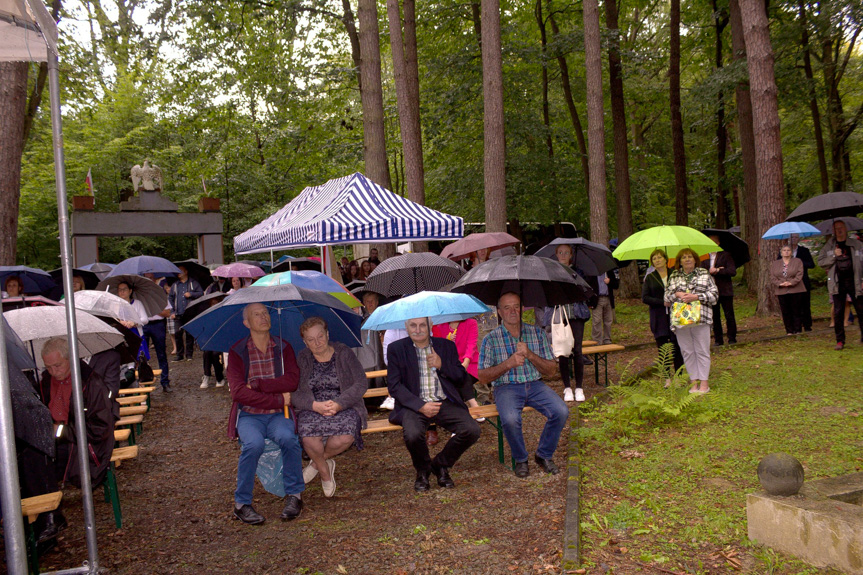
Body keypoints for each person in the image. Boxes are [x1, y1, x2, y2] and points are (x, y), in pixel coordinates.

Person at [226, 303, 304, 524]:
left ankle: (295, 495)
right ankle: (241, 504)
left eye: (265, 313)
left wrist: (259, 384)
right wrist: (278, 397)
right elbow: (239, 393)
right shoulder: (237, 352)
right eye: (256, 314)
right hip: (250, 416)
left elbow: (292, 380)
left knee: (289, 438)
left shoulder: (283, 347)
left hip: (279, 414)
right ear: (247, 323)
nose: (263, 317)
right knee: (253, 445)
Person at [478, 292, 569, 478]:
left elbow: (552, 370)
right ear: (499, 312)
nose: (513, 311)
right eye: (507, 307)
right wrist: (508, 364)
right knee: (510, 419)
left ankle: (543, 455)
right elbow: (483, 377)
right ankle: (521, 459)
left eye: (516, 306)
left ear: (522, 308)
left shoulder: (536, 333)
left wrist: (530, 355)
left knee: (561, 411)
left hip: (535, 385)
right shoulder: (491, 339)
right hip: (506, 388)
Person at [387, 317, 481, 491]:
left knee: (471, 430)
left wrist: (441, 365)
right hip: (414, 405)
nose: (418, 329)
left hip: (443, 401)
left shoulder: (445, 346)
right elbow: (394, 386)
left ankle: (440, 465)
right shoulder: (397, 349)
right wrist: (420, 405)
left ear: (430, 326)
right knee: (413, 434)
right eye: (413, 325)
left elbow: (461, 378)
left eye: (422, 325)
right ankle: (422, 471)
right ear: (406, 327)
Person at [293, 317, 368, 498]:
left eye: (320, 336)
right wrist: (314, 405)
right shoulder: (302, 358)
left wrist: (339, 403)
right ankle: (325, 473)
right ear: (305, 342)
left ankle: (316, 463)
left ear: (327, 334)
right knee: (309, 439)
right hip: (313, 408)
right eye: (311, 340)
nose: (317, 343)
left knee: (344, 438)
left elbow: (361, 383)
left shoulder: (344, 353)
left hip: (344, 405)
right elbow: (294, 392)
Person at [38, 337, 116, 488]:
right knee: (28, 458)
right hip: (55, 440)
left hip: (85, 445)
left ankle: (49, 506)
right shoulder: (45, 382)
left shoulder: (91, 383)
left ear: (70, 358)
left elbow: (100, 429)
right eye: (48, 367)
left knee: (39, 463)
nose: (54, 372)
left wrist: (61, 431)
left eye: (57, 365)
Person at [664, 248, 719, 394]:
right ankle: (693, 382)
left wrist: (696, 297)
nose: (687, 259)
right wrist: (677, 294)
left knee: (702, 349)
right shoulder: (674, 275)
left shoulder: (704, 273)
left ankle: (704, 384)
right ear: (679, 262)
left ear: (695, 260)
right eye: (684, 257)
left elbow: (714, 296)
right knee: (687, 351)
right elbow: (666, 298)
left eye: (690, 257)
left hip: (701, 317)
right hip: (681, 319)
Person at [543, 244, 593, 402]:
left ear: (571, 255)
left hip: (576, 314)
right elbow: (548, 295)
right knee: (562, 351)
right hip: (559, 315)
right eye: (560, 252)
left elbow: (585, 292)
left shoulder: (578, 272)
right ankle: (567, 388)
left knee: (577, 350)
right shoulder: (551, 272)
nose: (563, 255)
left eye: (566, 252)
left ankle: (579, 387)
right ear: (556, 254)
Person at [817, 220, 863, 350]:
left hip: (855, 282)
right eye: (836, 228)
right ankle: (840, 341)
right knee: (838, 312)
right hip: (837, 283)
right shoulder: (829, 246)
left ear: (846, 228)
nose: (839, 230)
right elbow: (821, 262)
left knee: (861, 309)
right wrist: (834, 256)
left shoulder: (856, 244)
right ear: (833, 231)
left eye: (841, 228)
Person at [641, 249, 684, 381]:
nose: (657, 260)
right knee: (663, 348)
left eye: (660, 257)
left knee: (677, 347)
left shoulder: (675, 274)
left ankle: (678, 377)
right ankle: (667, 378)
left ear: (666, 259)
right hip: (659, 316)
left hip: (675, 315)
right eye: (654, 259)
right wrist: (662, 302)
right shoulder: (650, 278)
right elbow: (645, 298)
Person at [701, 236, 737, 345]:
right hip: (710, 292)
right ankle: (718, 339)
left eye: (714, 242)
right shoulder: (703, 257)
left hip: (725, 290)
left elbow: (732, 271)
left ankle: (732, 338)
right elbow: (701, 272)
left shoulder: (725, 255)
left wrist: (718, 270)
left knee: (729, 315)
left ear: (718, 243)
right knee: (715, 317)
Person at [142, 273, 172, 392]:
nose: (149, 280)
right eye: (146, 278)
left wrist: (154, 308)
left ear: (154, 280)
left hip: (158, 325)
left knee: (161, 354)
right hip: (144, 325)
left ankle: (165, 382)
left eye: (151, 278)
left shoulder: (160, 293)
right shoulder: (140, 295)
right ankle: (144, 381)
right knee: (142, 355)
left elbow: (167, 313)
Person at [769, 245, 806, 335]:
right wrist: (780, 283)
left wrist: (791, 282)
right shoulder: (775, 263)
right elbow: (772, 276)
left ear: (791, 252)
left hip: (796, 289)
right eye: (784, 250)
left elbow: (800, 274)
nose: (786, 252)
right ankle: (789, 330)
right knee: (785, 311)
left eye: (788, 250)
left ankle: (797, 329)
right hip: (781, 290)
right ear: (781, 253)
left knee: (796, 310)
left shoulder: (797, 261)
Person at [169, 265, 203, 361]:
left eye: (181, 271)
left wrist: (191, 294)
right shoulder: (175, 285)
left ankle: (189, 355)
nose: (179, 273)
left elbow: (201, 293)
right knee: (177, 333)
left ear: (186, 272)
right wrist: (172, 311)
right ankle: (179, 355)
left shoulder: (193, 283)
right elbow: (170, 298)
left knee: (189, 334)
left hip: (190, 312)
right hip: (178, 313)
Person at [784, 234, 815, 331]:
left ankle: (807, 325)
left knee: (805, 303)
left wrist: (799, 262)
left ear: (799, 239)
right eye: (792, 237)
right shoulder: (784, 251)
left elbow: (811, 264)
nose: (793, 239)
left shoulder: (804, 251)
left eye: (796, 237)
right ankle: (795, 326)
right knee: (792, 304)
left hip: (803, 281)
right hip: (790, 282)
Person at [587, 269, 619, 345]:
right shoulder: (592, 273)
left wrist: (610, 281)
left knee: (608, 320)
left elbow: (616, 285)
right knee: (597, 320)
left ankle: (607, 339)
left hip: (608, 298)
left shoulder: (608, 272)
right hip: (597, 300)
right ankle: (597, 341)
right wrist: (589, 301)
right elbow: (588, 286)